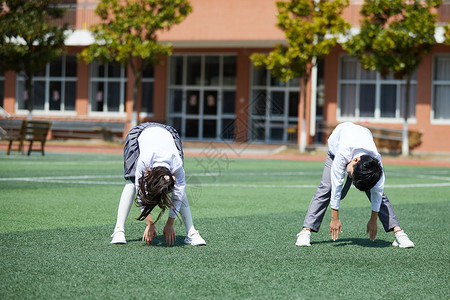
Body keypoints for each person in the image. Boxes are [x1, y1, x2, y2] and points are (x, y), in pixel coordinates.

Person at [296, 122, 414, 248]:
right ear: (355, 161)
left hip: (360, 142)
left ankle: (399, 232)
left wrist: (373, 219)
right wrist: (335, 218)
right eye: (352, 174)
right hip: (336, 148)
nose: (350, 177)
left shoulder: (376, 163)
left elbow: (377, 193)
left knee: (376, 190)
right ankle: (305, 231)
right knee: (327, 187)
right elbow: (336, 187)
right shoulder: (342, 154)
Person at [110, 122, 206, 246]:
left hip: (168, 133)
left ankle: (192, 233)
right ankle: (118, 231)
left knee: (178, 189)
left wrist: (170, 223)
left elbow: (178, 192)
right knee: (131, 182)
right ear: (149, 174)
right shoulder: (144, 162)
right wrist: (149, 223)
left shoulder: (176, 164)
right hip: (141, 133)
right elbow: (140, 192)